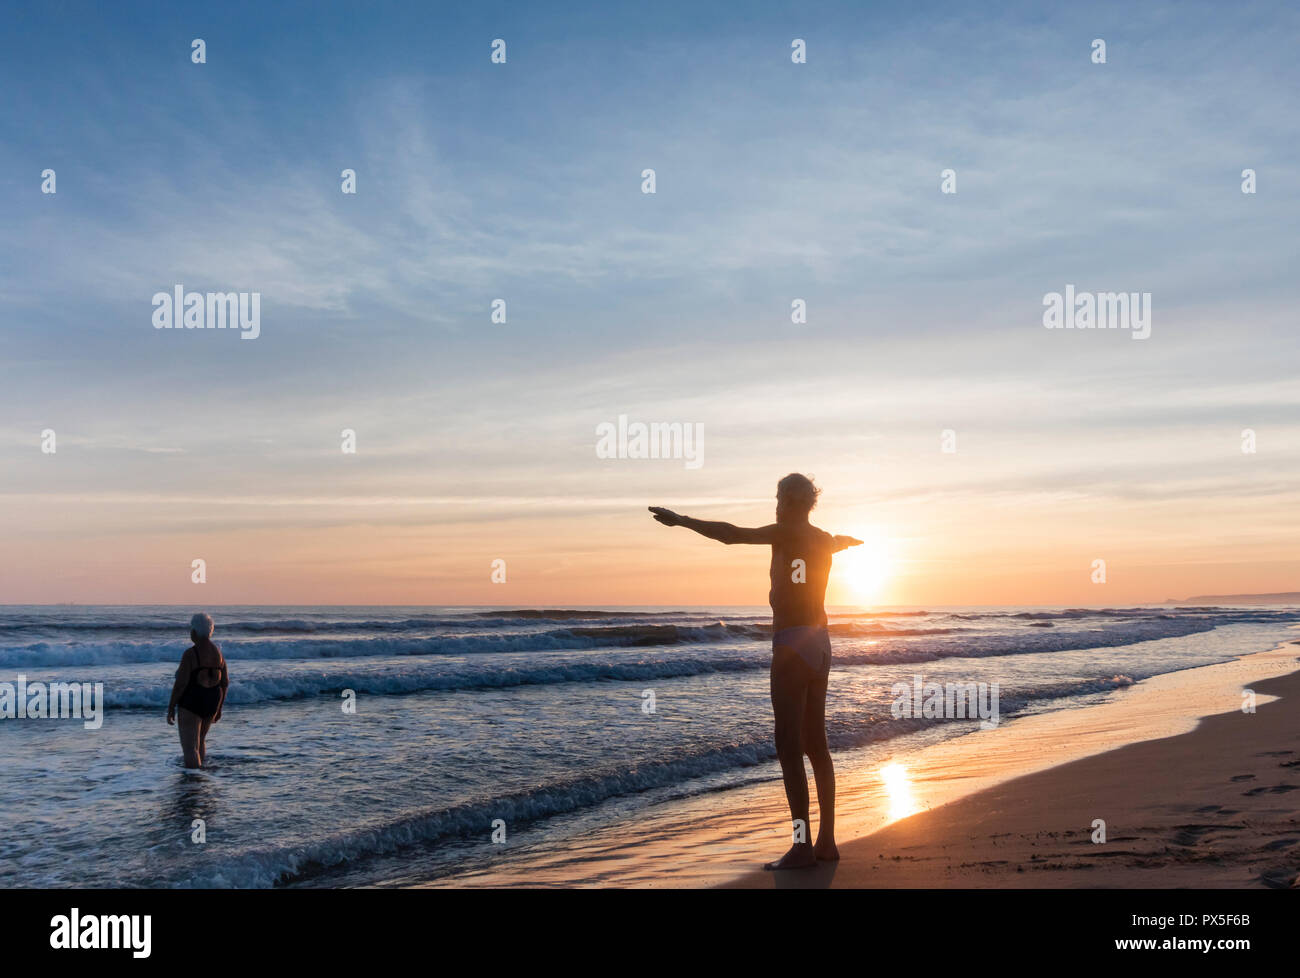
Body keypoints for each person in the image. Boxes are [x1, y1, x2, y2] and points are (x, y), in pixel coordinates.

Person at [650, 473, 862, 869]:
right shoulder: (823, 538)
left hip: (793, 644)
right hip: (821, 643)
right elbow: (835, 543)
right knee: (817, 744)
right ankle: (827, 841)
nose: (775, 502)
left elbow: (730, 534)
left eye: (778, 495)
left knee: (788, 746)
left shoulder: (785, 532)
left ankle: (801, 847)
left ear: (787, 500)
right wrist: (844, 542)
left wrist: (682, 521)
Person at [167, 612, 229, 769]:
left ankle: (193, 782)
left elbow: (181, 684)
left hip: (192, 699)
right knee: (200, 740)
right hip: (213, 699)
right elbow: (225, 682)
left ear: (194, 631)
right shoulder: (219, 654)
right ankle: (201, 777)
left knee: (189, 748)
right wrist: (219, 708)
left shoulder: (190, 654)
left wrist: (171, 707)